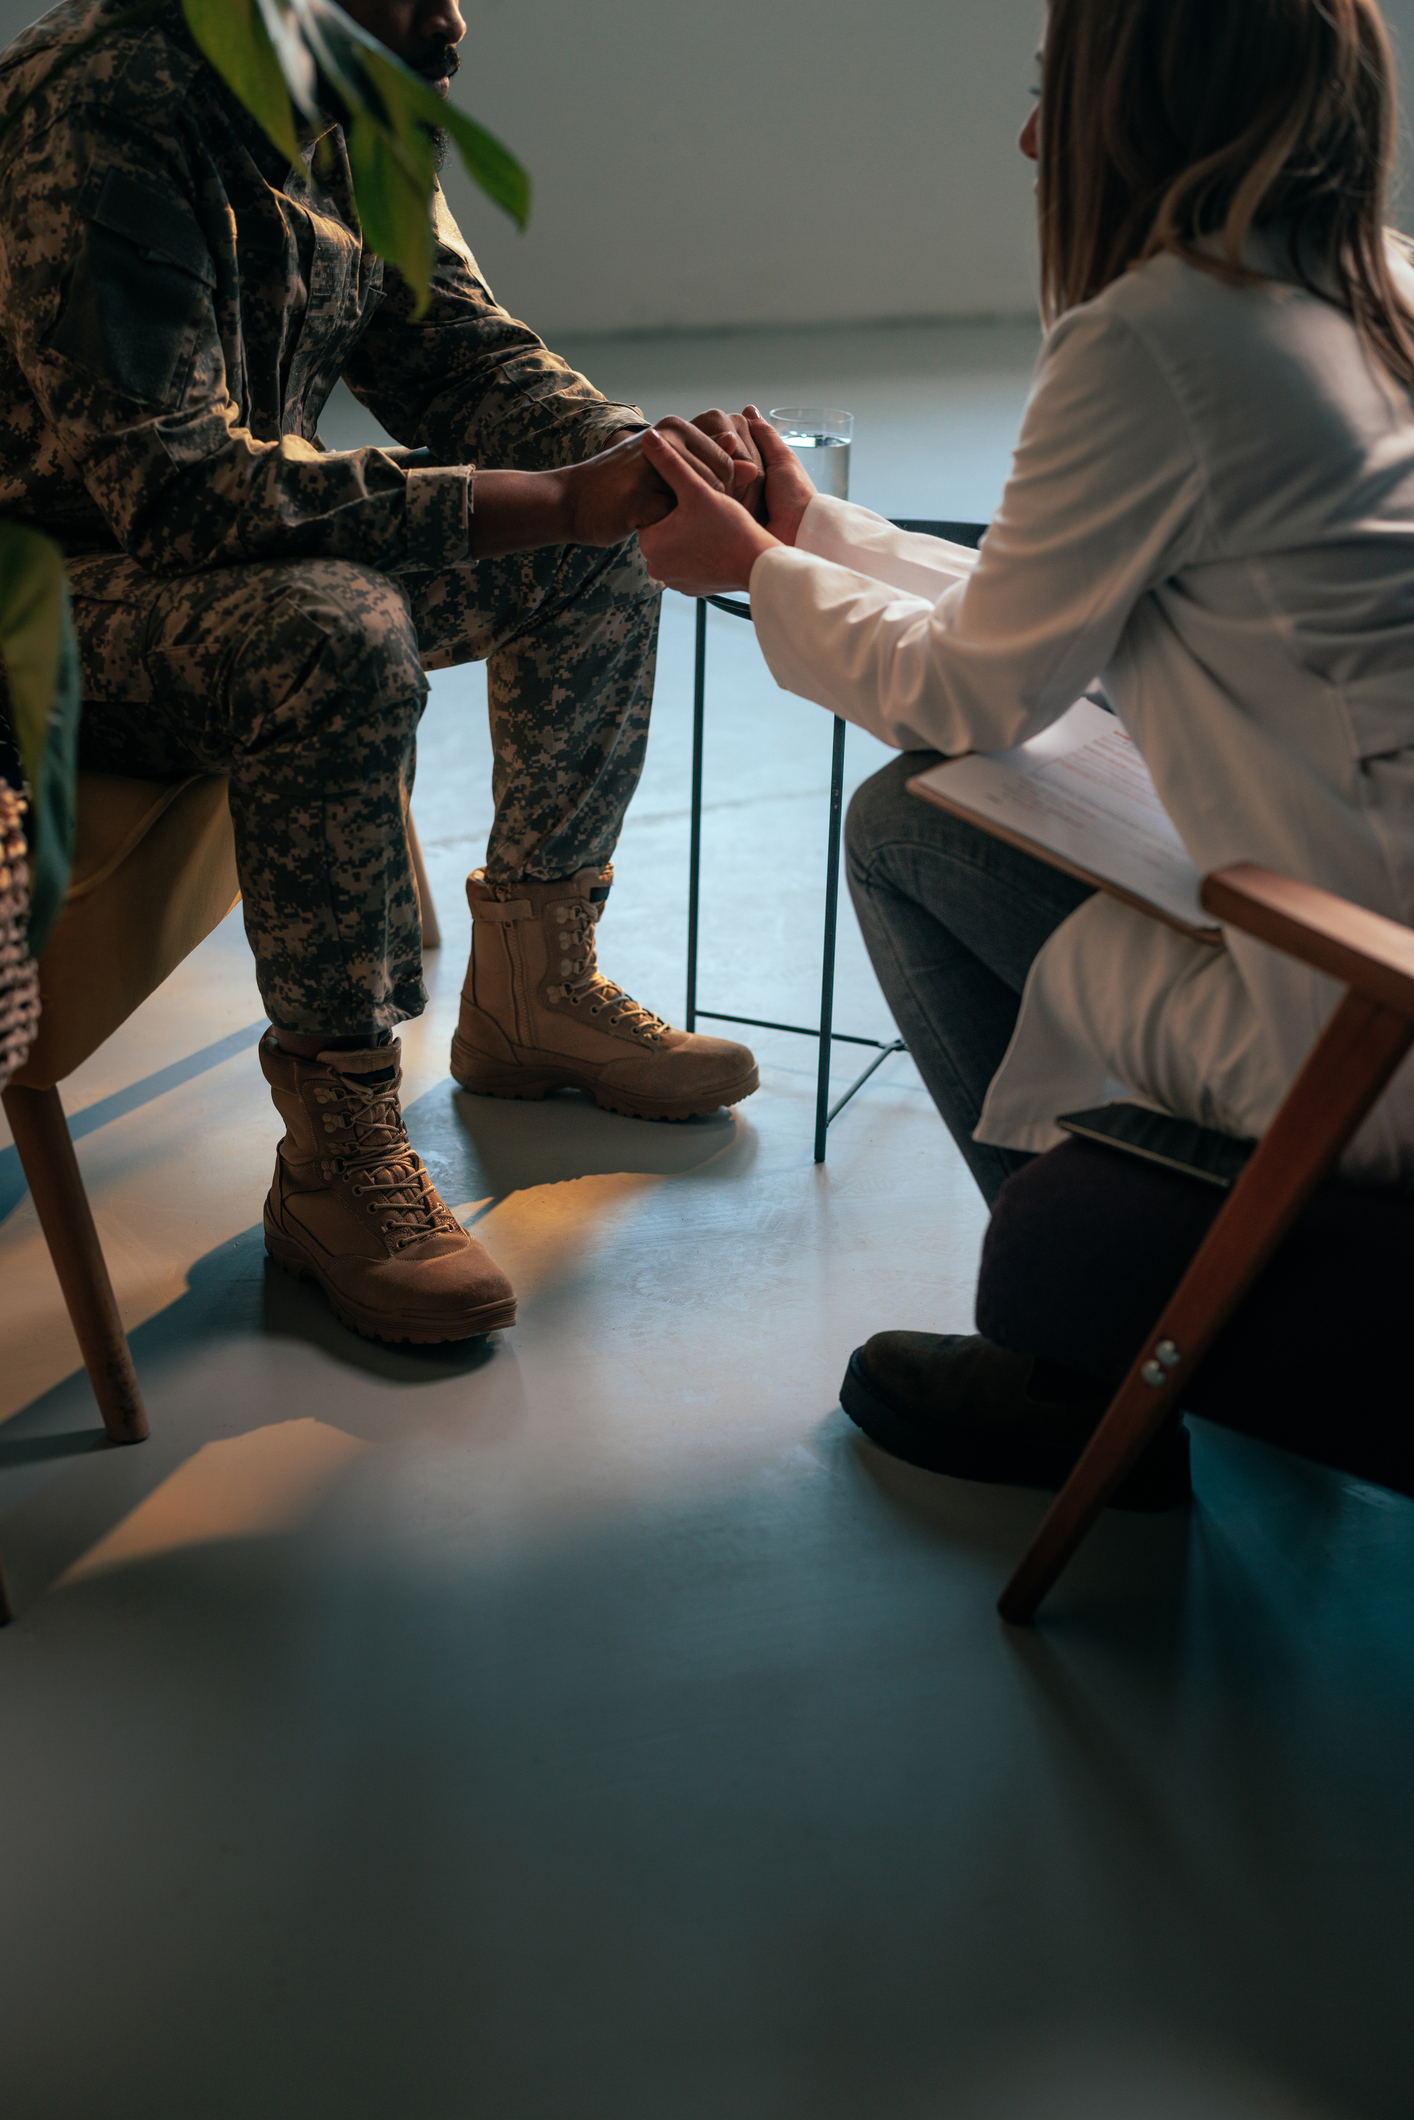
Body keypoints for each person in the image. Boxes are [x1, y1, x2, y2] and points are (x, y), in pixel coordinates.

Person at [637, 0, 1414, 1509]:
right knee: (1003, 784)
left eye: (1055, 93)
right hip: (1384, 928)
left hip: (1361, 1028)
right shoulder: (1375, 289)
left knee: (908, 823)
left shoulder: (1158, 338)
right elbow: (1061, 612)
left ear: (1148, 111)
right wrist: (808, 536)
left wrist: (743, 568)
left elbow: (978, 691)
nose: (1026, 138)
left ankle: (1090, 1369)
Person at [0, 0, 761, 1348]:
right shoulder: (101, 100)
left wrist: (643, 467)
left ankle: (535, 986)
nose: (451, 15)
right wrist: (544, 498)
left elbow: (454, 351)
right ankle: (338, 1153)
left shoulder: (353, 84)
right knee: (331, 627)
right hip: (45, 599)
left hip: (213, 552)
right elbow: (172, 491)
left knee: (595, 543)